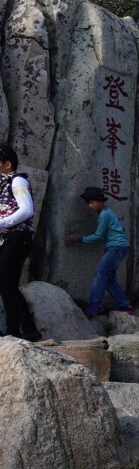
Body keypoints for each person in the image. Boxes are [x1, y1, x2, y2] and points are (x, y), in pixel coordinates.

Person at [67, 187, 135, 318]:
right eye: (89, 203)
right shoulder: (105, 213)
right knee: (108, 278)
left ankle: (95, 305)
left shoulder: (104, 215)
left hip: (117, 247)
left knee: (101, 273)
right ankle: (125, 305)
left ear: (100, 201)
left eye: (92, 202)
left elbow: (98, 236)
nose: (90, 206)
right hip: (117, 247)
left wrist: (78, 239)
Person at [0, 143, 39, 340]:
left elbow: (27, 210)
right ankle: (29, 330)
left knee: (6, 283)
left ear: (8, 164)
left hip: (18, 236)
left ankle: (14, 332)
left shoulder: (17, 181)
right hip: (10, 238)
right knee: (8, 284)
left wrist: (2, 223)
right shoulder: (5, 183)